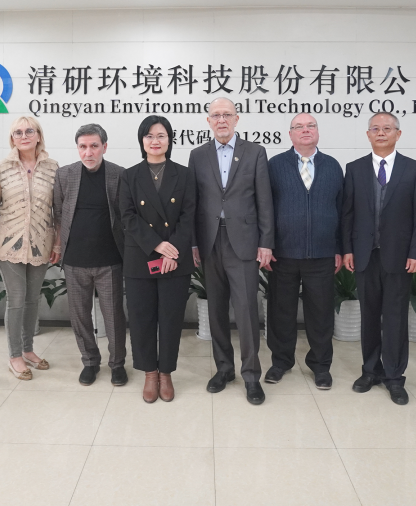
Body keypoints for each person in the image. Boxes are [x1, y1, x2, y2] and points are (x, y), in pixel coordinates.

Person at [341, 111, 416, 405]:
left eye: (387, 128)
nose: (381, 133)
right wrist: (348, 250)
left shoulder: (414, 169)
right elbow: (347, 215)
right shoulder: (354, 169)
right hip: (364, 256)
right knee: (368, 316)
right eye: (375, 129)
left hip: (400, 258)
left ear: (398, 134)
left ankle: (394, 376)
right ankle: (370, 370)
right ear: (368, 135)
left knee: (395, 318)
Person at [189, 97, 275, 405]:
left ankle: (251, 375)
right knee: (216, 310)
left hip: (244, 242)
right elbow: (193, 203)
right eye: (216, 115)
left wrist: (266, 243)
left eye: (227, 114)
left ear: (237, 119)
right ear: (208, 121)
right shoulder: (198, 155)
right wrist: (194, 243)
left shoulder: (255, 152)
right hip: (210, 241)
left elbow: (264, 201)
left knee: (246, 311)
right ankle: (224, 369)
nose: (221, 120)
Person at [119, 115, 196, 402]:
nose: (155, 141)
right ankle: (150, 373)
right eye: (149, 136)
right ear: (142, 140)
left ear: (169, 140)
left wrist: (172, 249)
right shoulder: (129, 176)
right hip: (141, 256)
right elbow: (127, 216)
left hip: (175, 259)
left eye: (161, 135)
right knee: (141, 318)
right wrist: (158, 245)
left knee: (171, 318)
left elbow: (189, 216)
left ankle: (166, 373)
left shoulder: (185, 175)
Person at [265, 113, 343, 390]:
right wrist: (266, 244)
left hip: (322, 254)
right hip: (282, 254)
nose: (305, 130)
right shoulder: (275, 165)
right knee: (281, 312)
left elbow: (342, 209)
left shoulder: (332, 166)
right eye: (299, 127)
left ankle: (321, 366)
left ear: (318, 132)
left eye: (311, 126)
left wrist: (339, 248)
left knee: (320, 314)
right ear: (290, 134)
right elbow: (265, 208)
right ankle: (280, 362)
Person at [53, 124, 128, 387]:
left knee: (114, 316)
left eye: (94, 146)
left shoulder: (119, 174)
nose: (88, 152)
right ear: (77, 148)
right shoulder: (65, 175)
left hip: (110, 260)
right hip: (75, 260)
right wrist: (59, 248)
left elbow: (125, 216)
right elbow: (59, 213)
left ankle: (117, 364)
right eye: (83, 147)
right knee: (80, 316)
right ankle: (90, 362)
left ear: (104, 147)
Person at [0, 116, 60, 381]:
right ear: (12, 138)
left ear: (39, 135)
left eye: (29, 131)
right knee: (17, 298)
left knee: (33, 299)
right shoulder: (2, 167)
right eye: (18, 132)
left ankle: (28, 349)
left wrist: (57, 242)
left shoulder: (53, 168)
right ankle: (14, 355)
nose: (24, 136)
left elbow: (58, 209)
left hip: (41, 243)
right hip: (8, 243)